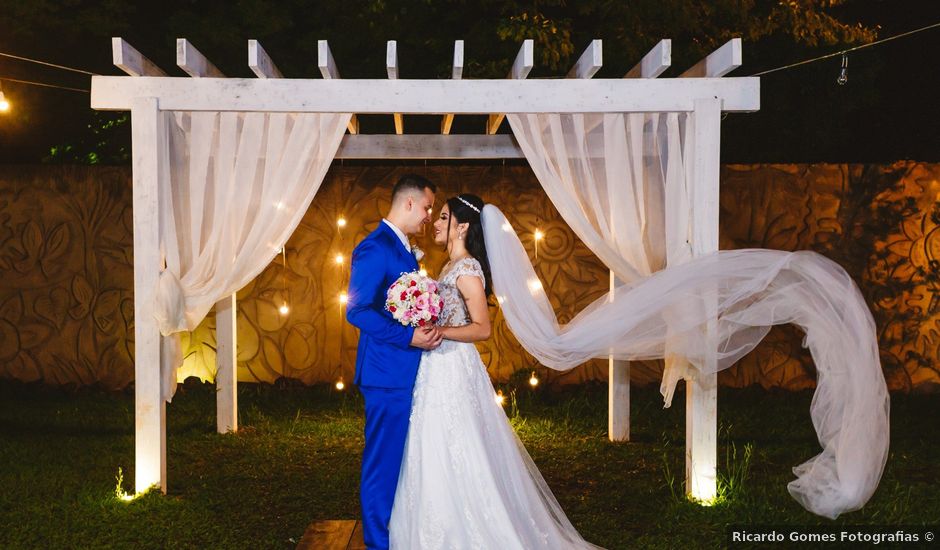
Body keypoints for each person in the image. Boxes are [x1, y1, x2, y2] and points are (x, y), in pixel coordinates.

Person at [388, 194, 601, 549]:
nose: (436, 224)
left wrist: (441, 332)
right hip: (436, 366)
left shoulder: (468, 270)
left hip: (454, 366)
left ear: (463, 226)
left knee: (458, 440)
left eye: (443, 217)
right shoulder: (447, 267)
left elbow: (482, 328)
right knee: (432, 440)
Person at [345, 174, 443, 550]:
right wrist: (408, 336)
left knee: (400, 463)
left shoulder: (402, 247)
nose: (429, 216)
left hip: (402, 373)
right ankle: (376, 543)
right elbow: (356, 310)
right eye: (427, 207)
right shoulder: (375, 248)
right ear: (408, 203)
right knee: (382, 466)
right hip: (386, 375)